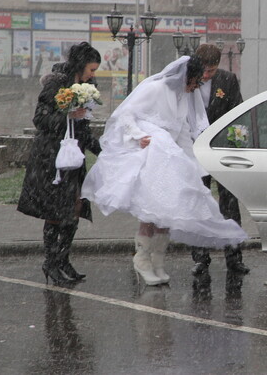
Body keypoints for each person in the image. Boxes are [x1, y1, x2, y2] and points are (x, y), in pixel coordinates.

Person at [81, 55, 248, 286]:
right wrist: (139, 136)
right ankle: (142, 259)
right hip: (151, 154)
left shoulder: (183, 95)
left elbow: (182, 131)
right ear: (187, 77)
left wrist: (195, 166)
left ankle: (157, 260)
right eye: (196, 81)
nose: (196, 87)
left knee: (166, 213)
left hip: (169, 156)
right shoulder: (156, 88)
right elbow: (127, 114)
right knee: (152, 210)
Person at [18, 41, 102, 285]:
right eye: (92, 69)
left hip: (74, 156)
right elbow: (40, 119)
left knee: (74, 208)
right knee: (56, 212)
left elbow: (84, 127)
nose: (93, 75)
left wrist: (101, 150)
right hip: (51, 157)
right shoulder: (56, 83)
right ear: (80, 65)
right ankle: (50, 263)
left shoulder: (87, 87)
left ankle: (63, 259)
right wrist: (67, 116)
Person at [190, 43, 250, 276]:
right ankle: (200, 258)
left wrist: (237, 143)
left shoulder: (228, 80)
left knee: (230, 205)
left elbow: (238, 113)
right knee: (199, 205)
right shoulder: (186, 81)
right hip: (195, 152)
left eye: (211, 71)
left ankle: (234, 257)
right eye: (204, 71)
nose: (206, 76)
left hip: (221, 151)